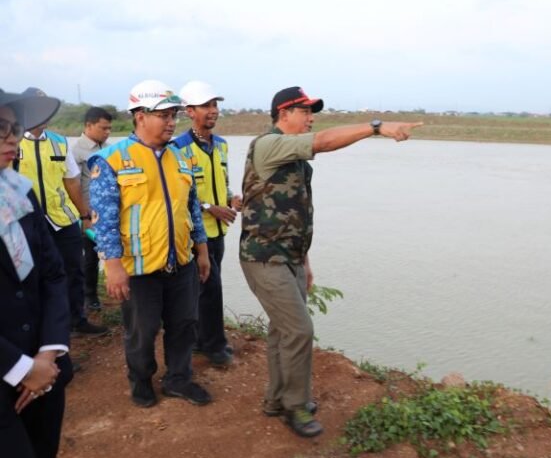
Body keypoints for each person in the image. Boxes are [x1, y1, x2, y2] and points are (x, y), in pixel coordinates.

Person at [239, 86, 422, 437]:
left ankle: (276, 400)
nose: (310, 118)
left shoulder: (293, 157)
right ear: (284, 114)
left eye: (312, 113)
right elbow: (322, 141)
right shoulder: (267, 145)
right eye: (305, 111)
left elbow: (294, 210)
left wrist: (304, 261)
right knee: (299, 329)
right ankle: (296, 407)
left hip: (289, 256)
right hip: (264, 257)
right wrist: (376, 127)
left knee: (282, 331)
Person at [88, 79, 212, 408]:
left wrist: (202, 251)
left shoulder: (182, 157)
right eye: (164, 115)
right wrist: (112, 266)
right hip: (139, 267)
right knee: (142, 332)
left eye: (173, 115)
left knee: (184, 325)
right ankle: (141, 380)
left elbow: (193, 210)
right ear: (140, 116)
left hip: (181, 262)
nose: (171, 122)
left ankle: (178, 379)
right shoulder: (112, 159)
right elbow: (104, 221)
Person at [1, 87, 74, 458]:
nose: (11, 137)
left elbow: (53, 274)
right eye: (0, 128)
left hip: (45, 374)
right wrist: (17, 367)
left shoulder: (18, 193)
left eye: (14, 128)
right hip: (9, 377)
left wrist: (47, 354)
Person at [14, 88, 107, 336]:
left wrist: (85, 216)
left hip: (62, 219)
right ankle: (41, 332)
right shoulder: (12, 142)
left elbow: (72, 181)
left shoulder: (59, 142)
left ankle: (77, 320)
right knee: (33, 277)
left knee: (72, 270)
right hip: (26, 222)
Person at [176, 81, 242, 367]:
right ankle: (215, 347)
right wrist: (208, 207)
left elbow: (222, 184)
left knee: (205, 287)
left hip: (218, 230)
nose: (213, 111)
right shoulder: (177, 147)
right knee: (209, 287)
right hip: (193, 231)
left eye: (215, 105)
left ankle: (200, 340)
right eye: (206, 106)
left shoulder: (221, 145)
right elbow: (178, 193)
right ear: (189, 111)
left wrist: (231, 199)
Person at [71, 107, 113, 312]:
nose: (107, 132)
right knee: (90, 256)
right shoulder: (76, 151)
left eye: (109, 129)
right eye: (103, 128)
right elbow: (74, 186)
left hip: (110, 212)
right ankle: (90, 295)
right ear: (88, 126)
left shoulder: (110, 148)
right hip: (89, 213)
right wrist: (84, 215)